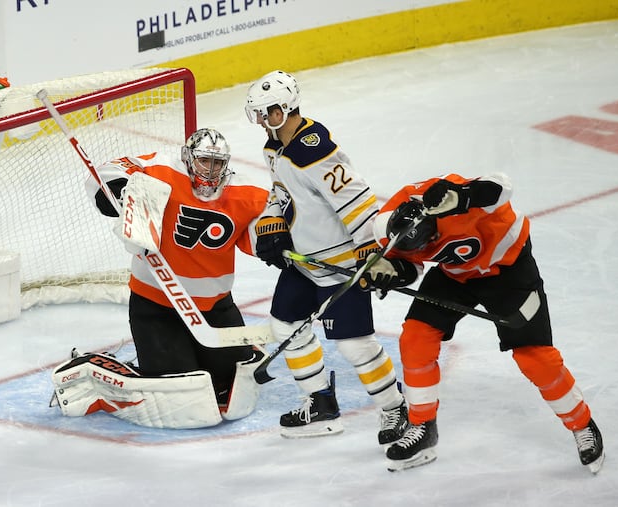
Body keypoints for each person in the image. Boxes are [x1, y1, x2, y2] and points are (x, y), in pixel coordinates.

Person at [362, 172, 604, 473]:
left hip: (509, 269)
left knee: (535, 358)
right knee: (415, 338)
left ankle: (582, 424)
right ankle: (423, 426)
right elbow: (409, 266)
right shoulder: (389, 227)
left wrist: (463, 196)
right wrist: (390, 271)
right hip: (455, 274)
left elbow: (502, 187)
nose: (434, 242)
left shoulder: (441, 197)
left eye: (433, 236)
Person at [244, 70, 408, 442]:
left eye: (268, 112)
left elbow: (356, 198)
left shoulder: (313, 149)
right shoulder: (274, 147)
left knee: (353, 344)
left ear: (286, 108)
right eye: (258, 113)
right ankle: (319, 403)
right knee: (286, 325)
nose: (262, 121)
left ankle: (395, 407)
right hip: (304, 262)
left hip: (339, 265)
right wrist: (271, 220)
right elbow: (281, 193)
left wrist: (370, 252)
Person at [70, 127, 270, 426]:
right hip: (157, 306)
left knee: (229, 391)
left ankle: (232, 351)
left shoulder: (244, 193)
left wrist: (273, 238)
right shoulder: (161, 168)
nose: (211, 170)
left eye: (218, 164)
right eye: (204, 161)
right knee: (181, 394)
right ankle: (100, 370)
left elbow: (267, 224)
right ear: (189, 157)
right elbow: (109, 171)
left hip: (214, 309)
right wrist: (123, 189)